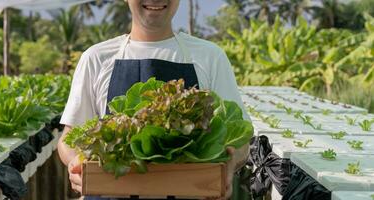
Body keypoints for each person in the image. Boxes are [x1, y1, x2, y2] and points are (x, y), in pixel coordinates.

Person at [57, 0, 251, 199]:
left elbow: (241, 138)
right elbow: (69, 137)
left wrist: (228, 165)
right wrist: (75, 163)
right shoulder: (96, 58)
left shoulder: (210, 56)